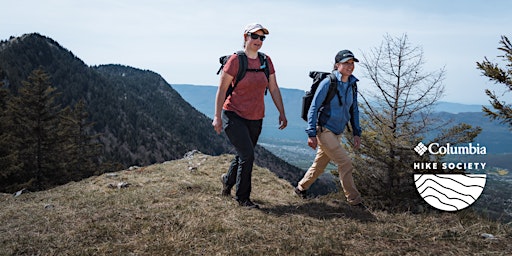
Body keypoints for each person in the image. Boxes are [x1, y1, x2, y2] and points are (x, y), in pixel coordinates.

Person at [212, 23, 288, 209]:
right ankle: (243, 198)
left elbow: (274, 88)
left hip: (256, 117)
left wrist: (282, 112)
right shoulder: (236, 61)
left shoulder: (266, 61)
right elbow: (222, 89)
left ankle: (227, 180)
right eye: (255, 36)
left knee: (243, 155)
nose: (258, 41)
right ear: (245, 36)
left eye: (262, 38)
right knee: (248, 155)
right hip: (233, 114)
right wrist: (217, 116)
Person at [295, 50, 364, 208]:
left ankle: (300, 188)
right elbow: (314, 107)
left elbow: (354, 110)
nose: (350, 66)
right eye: (346, 63)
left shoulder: (352, 85)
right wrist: (311, 133)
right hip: (324, 130)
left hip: (337, 132)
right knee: (345, 163)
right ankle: (355, 200)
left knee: (319, 164)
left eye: (352, 63)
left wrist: (356, 132)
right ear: (337, 65)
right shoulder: (328, 82)